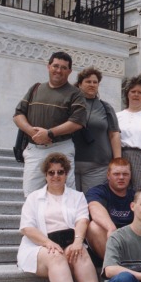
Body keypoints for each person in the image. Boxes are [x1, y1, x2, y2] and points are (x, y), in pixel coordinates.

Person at [17, 152, 103, 282]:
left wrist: (78, 241)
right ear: (45, 175)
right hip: (40, 246)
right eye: (51, 172)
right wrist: (48, 243)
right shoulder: (34, 198)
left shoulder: (77, 196)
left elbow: (82, 220)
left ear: (66, 174)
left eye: (60, 172)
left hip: (70, 241)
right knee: (55, 255)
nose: (56, 176)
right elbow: (27, 227)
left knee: (80, 252)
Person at [13, 50, 86, 195]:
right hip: (35, 149)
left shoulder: (75, 93)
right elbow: (18, 115)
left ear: (69, 71)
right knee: (31, 195)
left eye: (64, 67)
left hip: (62, 148)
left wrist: (49, 133)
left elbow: (77, 122)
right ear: (48, 66)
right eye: (55, 66)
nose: (59, 70)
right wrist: (33, 132)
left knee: (66, 194)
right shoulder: (35, 89)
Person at [86, 157, 141, 260]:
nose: (121, 177)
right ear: (108, 175)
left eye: (125, 174)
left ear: (130, 176)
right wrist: (111, 228)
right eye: (116, 174)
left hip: (133, 238)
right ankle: (112, 264)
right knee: (94, 226)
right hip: (108, 238)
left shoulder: (136, 195)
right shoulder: (98, 191)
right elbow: (94, 207)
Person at [72, 66, 121, 192]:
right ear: (80, 84)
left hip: (98, 166)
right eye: (88, 81)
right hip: (70, 163)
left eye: (95, 82)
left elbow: (114, 134)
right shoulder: (69, 104)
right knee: (71, 205)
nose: (92, 85)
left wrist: (117, 161)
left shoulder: (105, 107)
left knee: (93, 203)